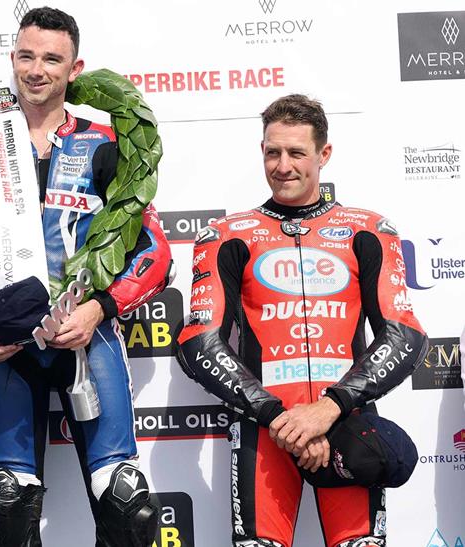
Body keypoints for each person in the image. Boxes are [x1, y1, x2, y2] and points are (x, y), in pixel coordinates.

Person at [0, 7, 172, 546]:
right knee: (7, 508)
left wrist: (97, 309)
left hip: (87, 338)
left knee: (127, 506)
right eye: (27, 56)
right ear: (13, 58)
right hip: (6, 345)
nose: (37, 70)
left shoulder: (106, 141)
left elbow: (153, 250)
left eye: (52, 59)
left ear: (74, 68)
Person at [176, 94, 428, 547]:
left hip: (347, 424)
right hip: (264, 428)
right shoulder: (226, 235)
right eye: (273, 152)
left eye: (297, 153)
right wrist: (279, 418)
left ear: (323, 154)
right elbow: (199, 340)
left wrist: (328, 409)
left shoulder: (367, 230)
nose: (283, 165)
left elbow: (404, 334)